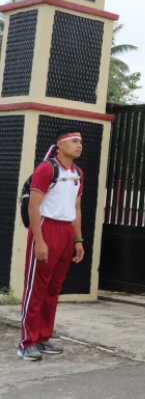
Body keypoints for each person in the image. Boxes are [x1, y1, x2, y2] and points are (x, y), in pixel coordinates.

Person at [19, 129, 86, 362]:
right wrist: (39, 240)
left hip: (67, 230)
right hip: (46, 227)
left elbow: (76, 208)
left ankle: (42, 337)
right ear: (60, 144)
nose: (79, 145)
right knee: (36, 287)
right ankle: (27, 342)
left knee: (53, 288)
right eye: (74, 141)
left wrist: (78, 240)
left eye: (80, 142)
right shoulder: (47, 168)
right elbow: (33, 206)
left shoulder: (78, 173)